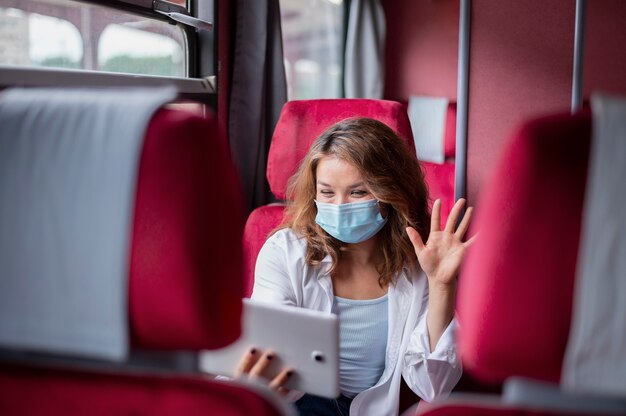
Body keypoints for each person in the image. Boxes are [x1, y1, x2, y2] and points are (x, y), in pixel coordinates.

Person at [236, 117, 474, 416]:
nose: (339, 206)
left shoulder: (421, 262)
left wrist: (441, 285)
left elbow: (432, 386)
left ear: (391, 193)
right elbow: (266, 351)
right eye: (326, 192)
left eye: (359, 192)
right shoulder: (285, 250)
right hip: (298, 403)